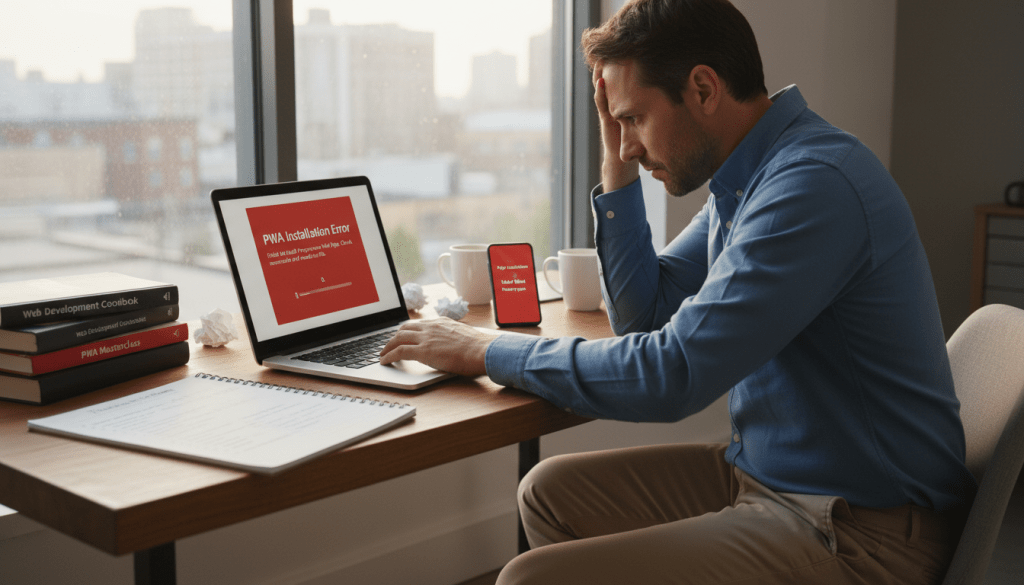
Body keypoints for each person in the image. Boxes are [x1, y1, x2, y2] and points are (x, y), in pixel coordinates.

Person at [380, 0, 977, 583]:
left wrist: (483, 350)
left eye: (634, 119)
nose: (630, 143)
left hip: (862, 531)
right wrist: (616, 167)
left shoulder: (810, 187)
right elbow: (645, 315)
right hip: (768, 477)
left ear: (703, 88)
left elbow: (674, 373)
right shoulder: (747, 178)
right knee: (548, 493)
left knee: (531, 577)